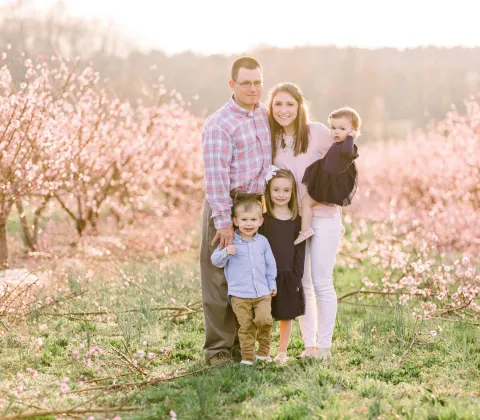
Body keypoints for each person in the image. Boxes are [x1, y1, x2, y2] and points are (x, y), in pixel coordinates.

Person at [200, 56, 271, 365]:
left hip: (256, 207)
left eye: (257, 82)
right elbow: (215, 176)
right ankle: (218, 350)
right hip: (226, 206)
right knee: (218, 278)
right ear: (232, 85)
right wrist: (222, 222)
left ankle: (245, 347)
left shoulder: (263, 116)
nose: (253, 88)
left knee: (248, 275)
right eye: (246, 83)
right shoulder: (220, 123)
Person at [266, 82, 343, 361]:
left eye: (289, 104)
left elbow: (345, 171)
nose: (284, 110)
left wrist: (321, 199)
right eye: (278, 104)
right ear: (270, 108)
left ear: (300, 106)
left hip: (323, 217)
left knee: (322, 281)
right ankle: (309, 346)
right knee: (302, 283)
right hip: (293, 221)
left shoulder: (318, 133)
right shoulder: (271, 140)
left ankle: (324, 347)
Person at [211, 198, 277, 365]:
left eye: (253, 220)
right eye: (244, 220)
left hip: (262, 292)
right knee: (246, 326)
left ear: (260, 221)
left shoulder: (263, 242)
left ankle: (263, 352)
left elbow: (270, 265)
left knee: (265, 321)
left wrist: (272, 284)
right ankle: (247, 357)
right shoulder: (231, 241)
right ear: (235, 221)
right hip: (239, 295)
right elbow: (215, 260)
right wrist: (226, 252)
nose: (249, 224)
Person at [294, 107, 361, 245]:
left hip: (329, 184)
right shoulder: (338, 144)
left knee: (306, 202)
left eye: (342, 129)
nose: (336, 131)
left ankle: (305, 230)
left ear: (353, 130)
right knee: (326, 204)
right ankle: (339, 225)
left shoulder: (348, 146)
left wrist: (350, 137)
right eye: (333, 127)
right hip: (327, 180)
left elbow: (348, 152)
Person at [260, 167, 306, 363]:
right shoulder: (264, 221)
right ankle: (264, 350)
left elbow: (299, 253)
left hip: (288, 275)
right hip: (267, 275)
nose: (281, 195)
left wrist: (297, 277)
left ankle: (282, 351)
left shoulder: (298, 221)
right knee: (265, 315)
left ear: (293, 192)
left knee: (286, 315)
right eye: (276, 190)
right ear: (269, 192)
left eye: (286, 190)